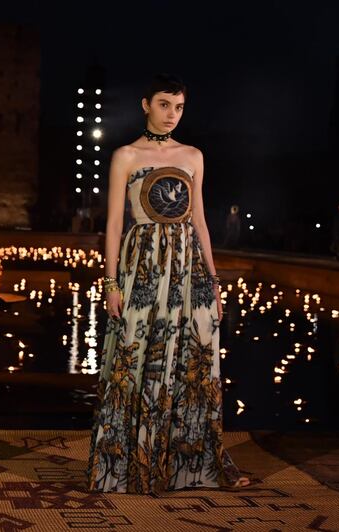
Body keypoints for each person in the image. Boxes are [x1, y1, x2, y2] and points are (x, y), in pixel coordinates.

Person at [88, 74, 249, 493]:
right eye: (163, 105)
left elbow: (199, 220)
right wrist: (110, 283)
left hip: (189, 266)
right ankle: (130, 464)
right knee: (135, 356)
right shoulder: (125, 155)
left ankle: (189, 467)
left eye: (178, 107)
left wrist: (213, 279)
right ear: (145, 104)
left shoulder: (193, 155)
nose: (171, 115)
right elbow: (114, 223)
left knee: (193, 358)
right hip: (141, 264)